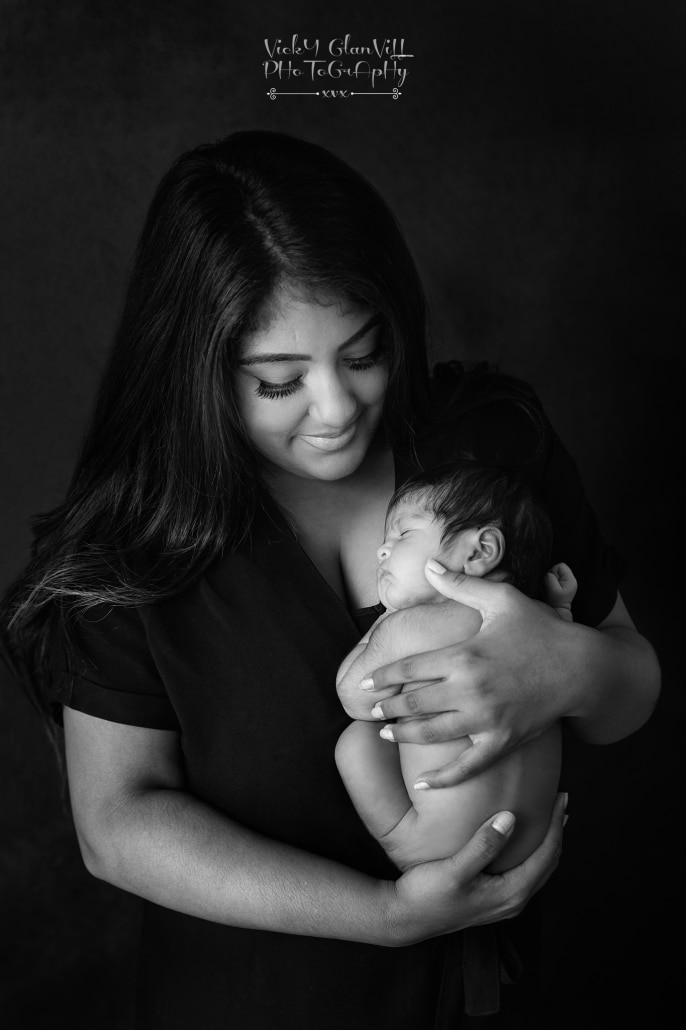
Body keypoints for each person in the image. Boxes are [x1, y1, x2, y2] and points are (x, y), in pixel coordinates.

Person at [0, 130, 659, 1029]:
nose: (339, 408)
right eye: (278, 382)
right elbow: (115, 827)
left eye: (362, 353)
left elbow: (632, 695)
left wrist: (572, 668)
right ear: (197, 371)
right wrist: (386, 918)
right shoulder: (136, 544)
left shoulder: (487, 450)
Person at [335, 460, 577, 875]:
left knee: (356, 743)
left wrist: (382, 627)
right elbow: (567, 666)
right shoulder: (543, 622)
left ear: (480, 551)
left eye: (404, 533)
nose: (383, 549)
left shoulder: (407, 627)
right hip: (531, 845)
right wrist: (562, 607)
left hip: (436, 850)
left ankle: (400, 840)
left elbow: (355, 699)